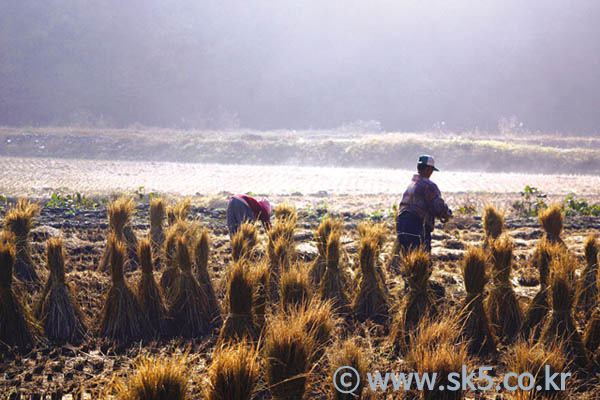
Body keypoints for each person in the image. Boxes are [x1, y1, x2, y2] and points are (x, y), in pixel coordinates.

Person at [396, 155, 452, 253]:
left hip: (401, 225)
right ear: (428, 169)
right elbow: (438, 207)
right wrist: (447, 214)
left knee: (406, 257)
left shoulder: (411, 184)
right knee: (421, 257)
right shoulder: (428, 185)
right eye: (431, 170)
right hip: (417, 225)